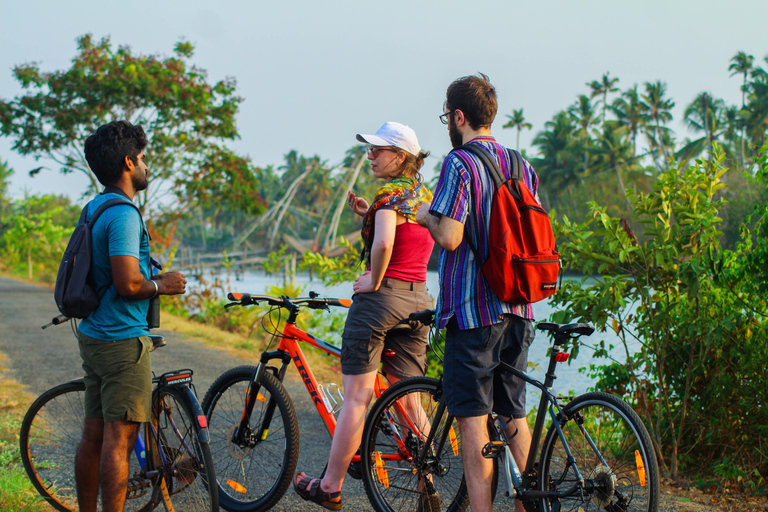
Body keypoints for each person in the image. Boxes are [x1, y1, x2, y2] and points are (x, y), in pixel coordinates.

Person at [294, 122, 435, 511]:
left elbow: (387, 241)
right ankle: (429, 483)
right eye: (369, 149)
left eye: (378, 150)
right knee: (410, 400)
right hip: (418, 300)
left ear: (401, 157)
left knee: (356, 397)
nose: (370, 156)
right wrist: (368, 213)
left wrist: (373, 279)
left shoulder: (388, 194)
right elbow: (407, 239)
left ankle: (330, 486)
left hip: (381, 301)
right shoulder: (424, 195)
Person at [416, 74, 540, 512]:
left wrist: (424, 215)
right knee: (513, 415)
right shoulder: (522, 164)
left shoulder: (459, 163)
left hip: (473, 312)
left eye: (447, 116)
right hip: (520, 306)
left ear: (459, 116)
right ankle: (533, 505)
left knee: (471, 420)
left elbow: (450, 237)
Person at [74, 120, 187, 512]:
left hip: (94, 333)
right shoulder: (123, 214)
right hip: (121, 338)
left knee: (93, 436)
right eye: (141, 158)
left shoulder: (94, 207)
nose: (145, 166)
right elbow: (127, 283)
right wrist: (163, 285)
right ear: (127, 162)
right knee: (118, 441)